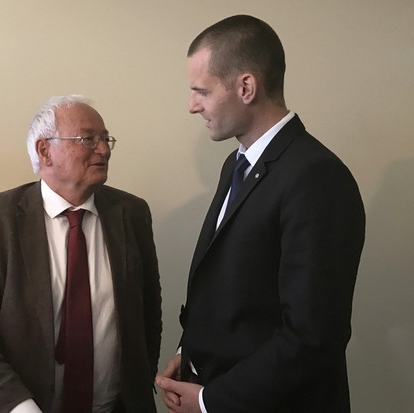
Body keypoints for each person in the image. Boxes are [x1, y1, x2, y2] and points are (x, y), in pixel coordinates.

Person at [156, 15, 365, 413]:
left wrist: (209, 401)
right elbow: (237, 292)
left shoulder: (316, 177)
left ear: (246, 87)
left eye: (201, 91)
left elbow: (312, 337)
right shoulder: (237, 165)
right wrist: (193, 352)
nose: (191, 105)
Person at [0, 95, 162, 413]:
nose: (103, 149)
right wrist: (20, 407)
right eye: (88, 139)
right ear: (45, 150)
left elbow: (146, 315)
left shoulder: (131, 213)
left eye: (105, 138)